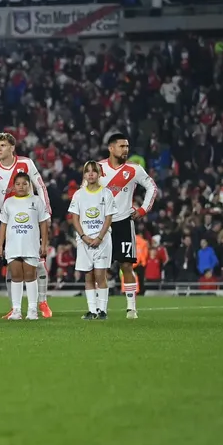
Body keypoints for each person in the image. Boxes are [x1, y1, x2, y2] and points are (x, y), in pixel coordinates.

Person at [0, 132, 54, 318]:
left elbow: (40, 186)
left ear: (12, 147)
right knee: (12, 266)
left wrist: (47, 213)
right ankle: (14, 307)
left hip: (31, 218)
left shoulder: (26, 163)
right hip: (10, 223)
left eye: (2, 145)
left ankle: (42, 302)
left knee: (38, 264)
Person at [98, 132, 158, 319]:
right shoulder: (98, 168)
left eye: (127, 146)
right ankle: (100, 309)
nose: (125, 150)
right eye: (122, 146)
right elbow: (85, 192)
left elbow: (152, 187)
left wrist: (142, 210)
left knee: (127, 266)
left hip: (124, 222)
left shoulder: (134, 169)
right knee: (100, 268)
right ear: (111, 148)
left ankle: (131, 309)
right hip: (102, 225)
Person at [0, 172, 50, 320]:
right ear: (13, 186)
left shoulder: (37, 201)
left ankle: (32, 310)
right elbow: (3, 225)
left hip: (30, 244)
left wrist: (44, 243)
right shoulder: (9, 202)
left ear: (29, 185)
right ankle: (16, 310)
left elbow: (43, 224)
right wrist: (0, 244)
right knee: (16, 276)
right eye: (18, 184)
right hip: (13, 245)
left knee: (31, 276)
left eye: (24, 183)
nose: (21, 186)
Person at [70, 161, 117, 320]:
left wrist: (99, 237)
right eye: (87, 171)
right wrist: (83, 236)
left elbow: (108, 218)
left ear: (99, 174)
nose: (90, 174)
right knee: (88, 277)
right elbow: (74, 218)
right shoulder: (78, 194)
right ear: (84, 174)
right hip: (84, 241)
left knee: (100, 275)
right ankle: (92, 310)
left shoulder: (107, 193)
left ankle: (102, 310)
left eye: (94, 171)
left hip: (102, 241)